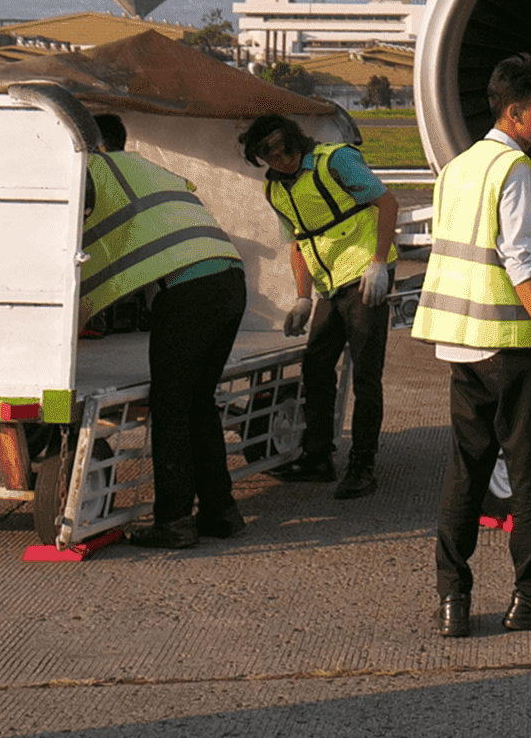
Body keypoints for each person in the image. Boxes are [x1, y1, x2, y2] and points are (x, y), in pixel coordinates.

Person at [412, 54, 531, 638]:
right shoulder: (515, 171)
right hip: (508, 345)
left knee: (466, 471)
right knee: (529, 468)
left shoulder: (458, 168)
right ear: (517, 113)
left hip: (461, 343)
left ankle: (452, 599)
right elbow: (519, 261)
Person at [80, 116, 249, 550]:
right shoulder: (147, 168)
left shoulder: (96, 168)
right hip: (229, 278)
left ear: (91, 144)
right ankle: (220, 512)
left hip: (190, 290)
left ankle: (174, 521)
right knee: (198, 403)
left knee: (171, 407)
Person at [239, 112, 398, 500]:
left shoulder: (335, 160)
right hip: (329, 286)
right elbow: (299, 242)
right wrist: (302, 297)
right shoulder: (275, 190)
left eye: (284, 149)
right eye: (269, 155)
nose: (280, 159)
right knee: (316, 366)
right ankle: (318, 456)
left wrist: (379, 263)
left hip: (364, 273)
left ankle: (362, 465)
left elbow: (387, 203)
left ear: (296, 139)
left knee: (366, 373)